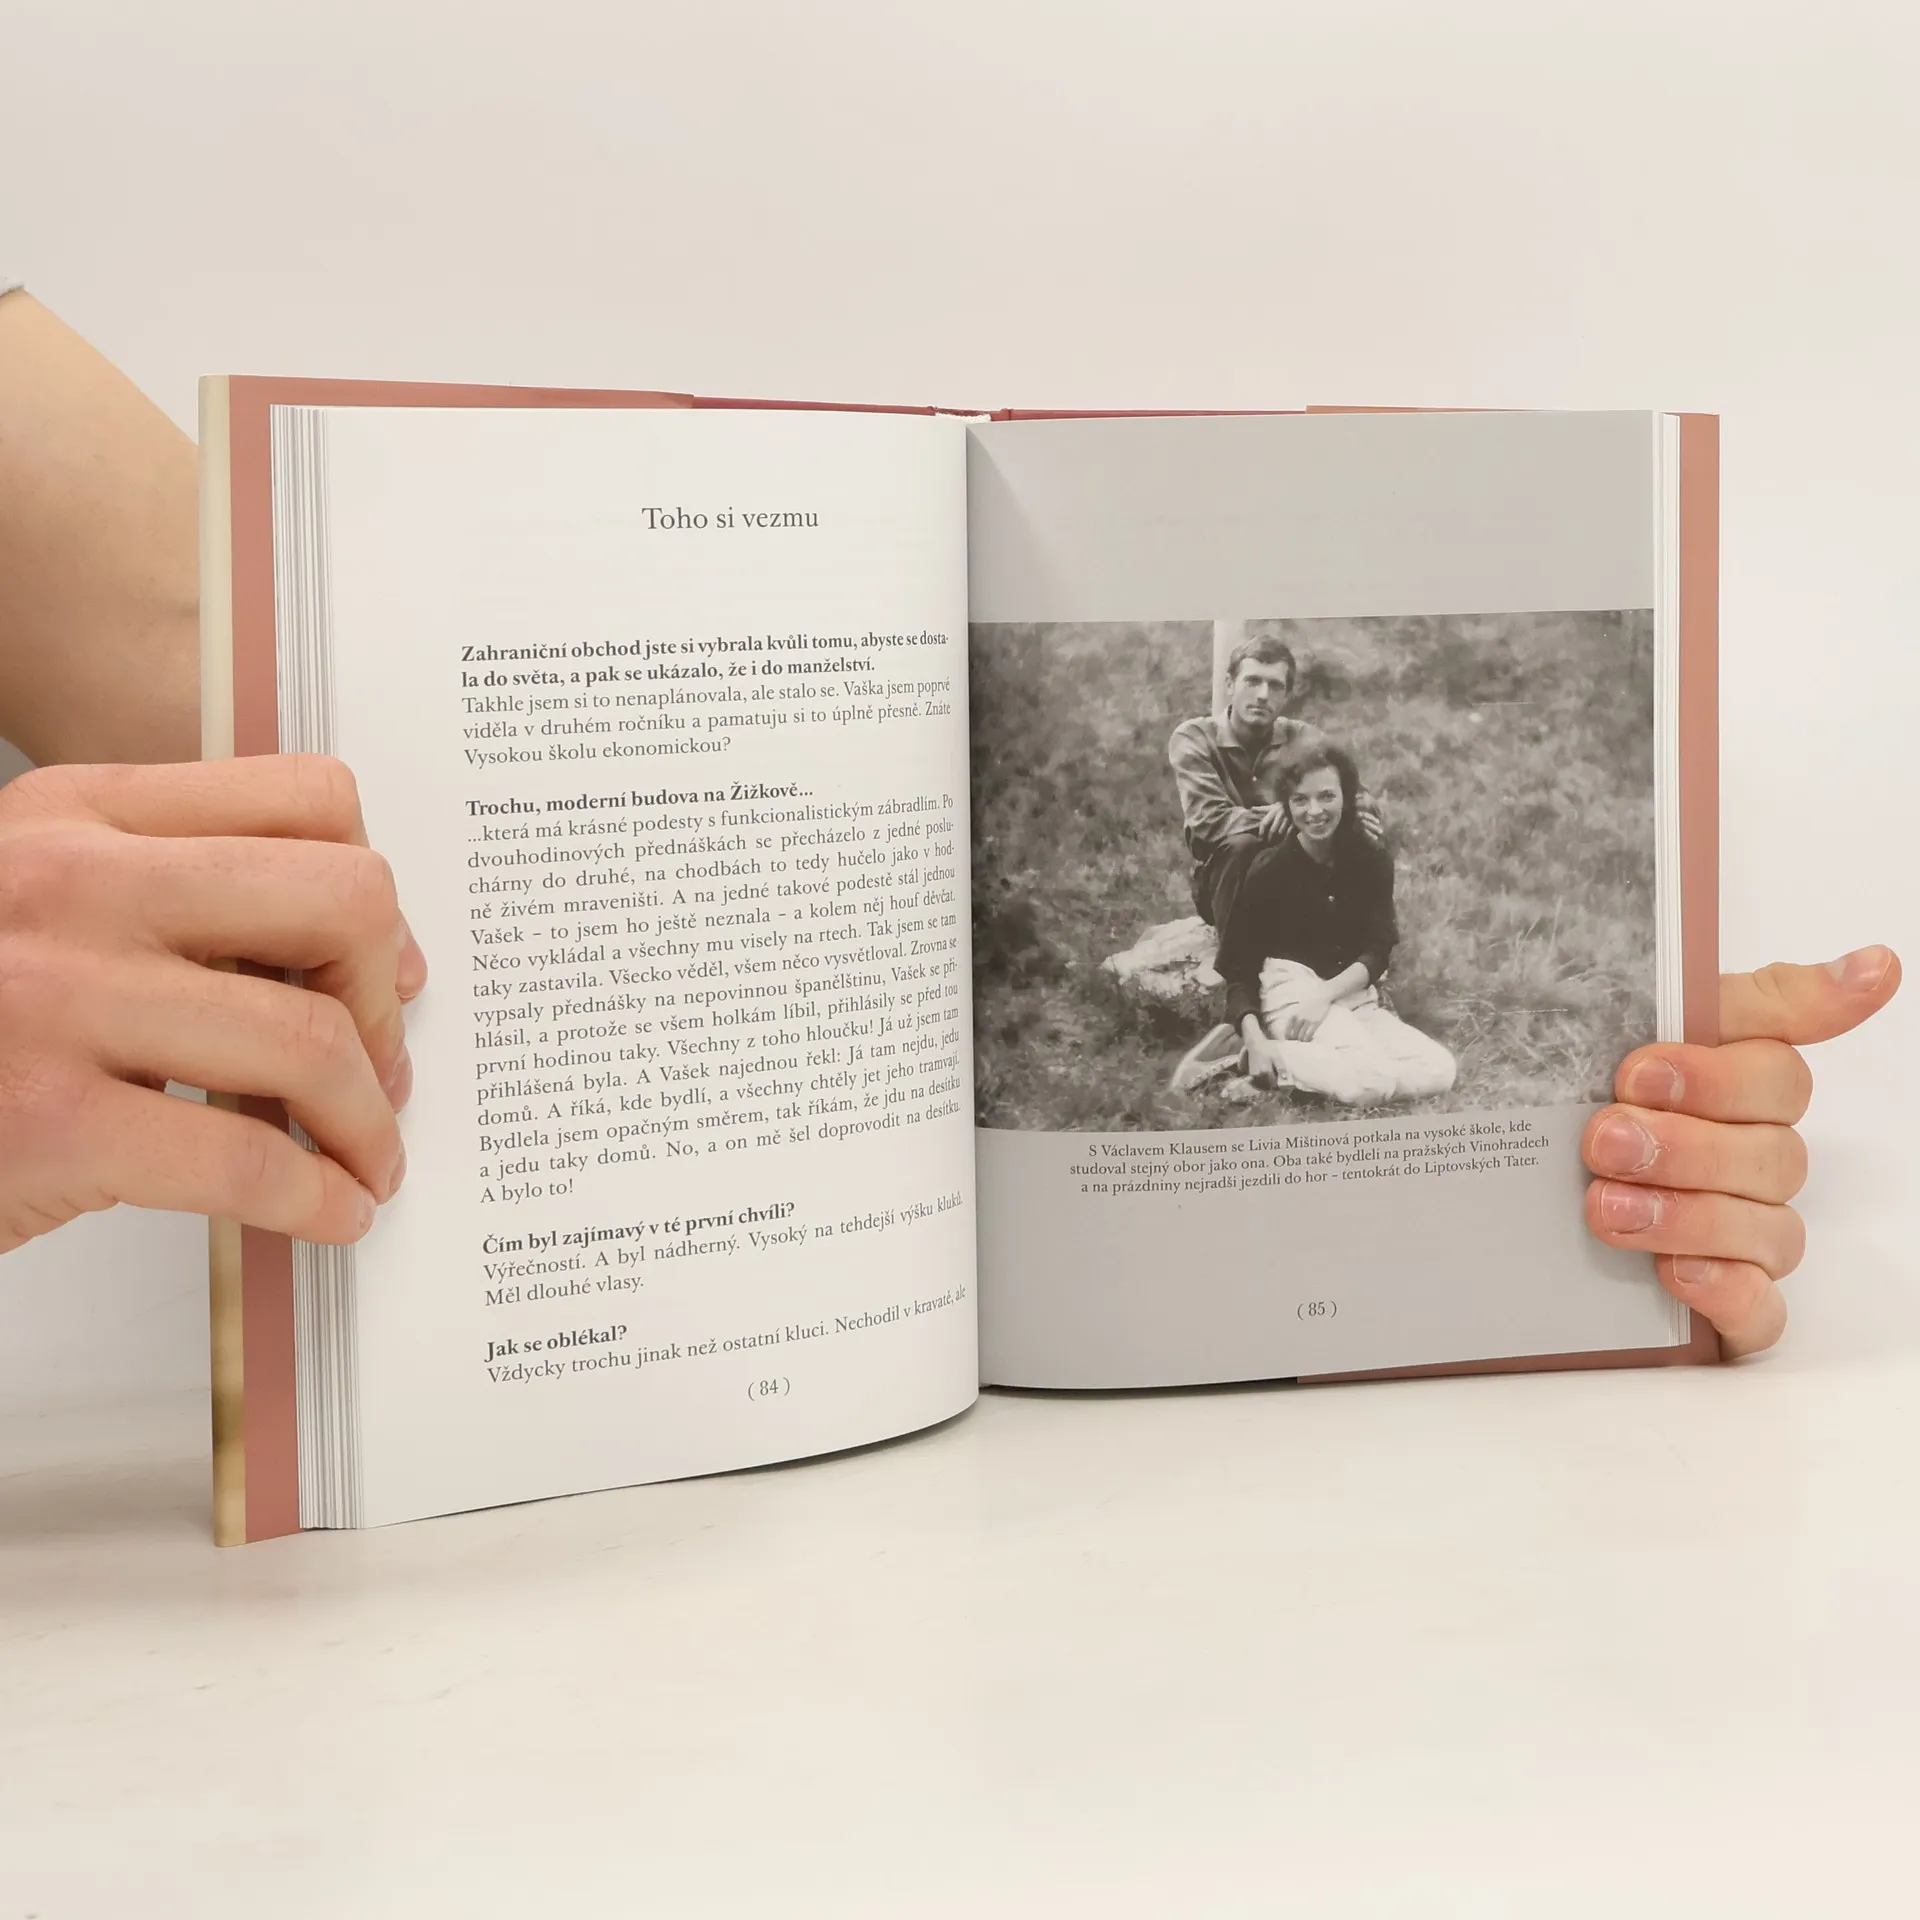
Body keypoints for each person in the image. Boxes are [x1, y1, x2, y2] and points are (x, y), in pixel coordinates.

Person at [0, 287, 1901, 1357]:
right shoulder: (1211, 752)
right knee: (1216, 964)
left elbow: (251, 693)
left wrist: (1601, 1077)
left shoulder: (1322, 784)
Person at [1212, 741, 1455, 1105]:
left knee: (1439, 1070)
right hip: (1291, 996)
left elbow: (1377, 950)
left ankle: (1289, 1070)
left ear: (1347, 796)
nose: (1314, 812)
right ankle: (1262, 1057)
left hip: (1350, 996)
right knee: (1374, 1078)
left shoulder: (1371, 859)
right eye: (1300, 800)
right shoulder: (1269, 870)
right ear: (1286, 806)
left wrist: (1325, 996)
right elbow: (1239, 968)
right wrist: (1254, 1036)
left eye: (1326, 796)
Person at [1167, 628, 1382, 943]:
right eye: (1252, 681)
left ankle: (1362, 948)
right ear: (1229, 685)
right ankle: (1239, 965)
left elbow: (1360, 796)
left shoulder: (1303, 737)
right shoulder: (1194, 738)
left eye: (1275, 686)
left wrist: (1344, 811)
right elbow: (1208, 823)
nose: (1263, 695)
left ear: (1286, 695)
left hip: (1295, 872)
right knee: (1241, 846)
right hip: (1226, 880)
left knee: (1364, 834)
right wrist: (1291, 813)